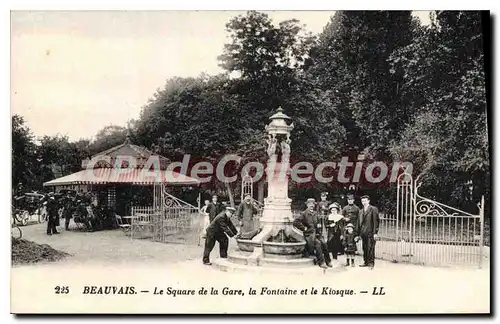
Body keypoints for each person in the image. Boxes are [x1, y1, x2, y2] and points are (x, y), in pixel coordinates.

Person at [293, 198, 331, 269]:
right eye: (309, 204)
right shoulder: (304, 213)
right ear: (307, 205)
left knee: (324, 243)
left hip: (317, 234)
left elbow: (319, 222)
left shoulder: (316, 213)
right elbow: (295, 222)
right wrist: (304, 228)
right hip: (309, 235)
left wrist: (319, 229)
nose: (311, 205)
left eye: (312, 204)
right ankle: (321, 262)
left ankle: (328, 261)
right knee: (318, 244)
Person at [356, 195, 380, 270]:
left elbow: (376, 222)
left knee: (371, 248)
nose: (364, 202)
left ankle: (371, 263)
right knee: (365, 248)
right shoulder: (360, 211)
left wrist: (375, 233)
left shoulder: (373, 209)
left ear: (368, 201)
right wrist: (358, 233)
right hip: (363, 233)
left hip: (371, 232)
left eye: (365, 200)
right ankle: (366, 262)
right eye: (362, 201)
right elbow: (358, 223)